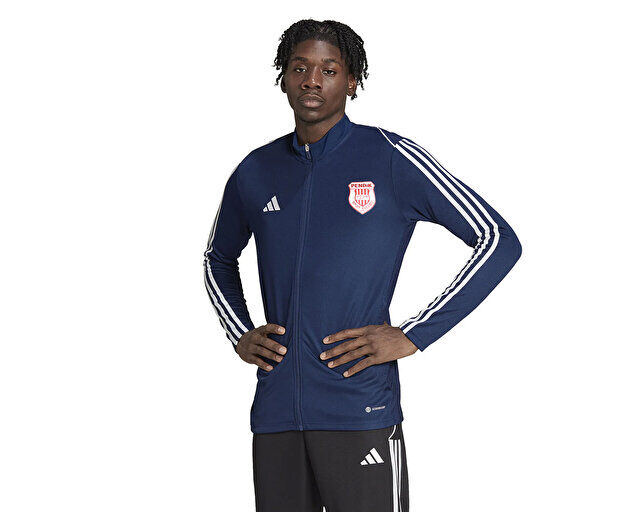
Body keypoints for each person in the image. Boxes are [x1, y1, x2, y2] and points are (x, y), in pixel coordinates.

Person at [203, 19, 522, 512]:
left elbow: (497, 240)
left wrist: (414, 334)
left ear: (352, 81)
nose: (313, 80)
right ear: (283, 77)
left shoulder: (389, 157)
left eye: (329, 70)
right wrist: (239, 332)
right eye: (300, 68)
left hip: (360, 407)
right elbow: (217, 258)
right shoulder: (255, 170)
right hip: (277, 413)